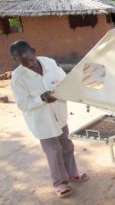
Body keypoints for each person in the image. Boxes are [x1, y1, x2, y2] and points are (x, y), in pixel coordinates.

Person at [9, 40, 89, 198]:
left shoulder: (49, 63)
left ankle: (73, 174)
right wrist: (42, 98)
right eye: (24, 63)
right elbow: (23, 104)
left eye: (31, 59)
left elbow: (63, 80)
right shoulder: (17, 77)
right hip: (42, 121)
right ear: (16, 60)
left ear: (34, 50)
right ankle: (59, 182)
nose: (30, 64)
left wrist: (63, 90)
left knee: (67, 146)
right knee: (53, 152)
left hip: (59, 114)